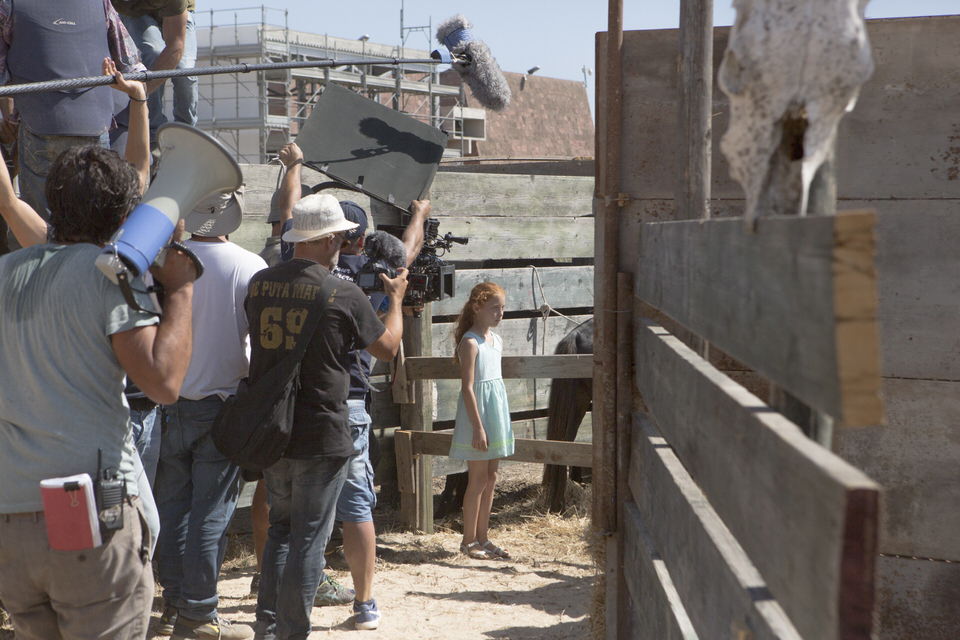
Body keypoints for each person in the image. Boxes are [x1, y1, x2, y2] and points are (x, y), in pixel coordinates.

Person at [0, 72, 198, 640]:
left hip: (11, 515)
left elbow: (9, 199)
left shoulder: (8, 270)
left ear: (53, 199)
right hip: (84, 512)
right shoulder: (110, 275)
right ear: (123, 216)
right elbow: (163, 383)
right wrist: (181, 291)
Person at [246, 194, 406, 640]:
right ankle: (293, 631)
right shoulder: (343, 292)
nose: (343, 243)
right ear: (329, 238)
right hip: (322, 428)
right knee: (309, 538)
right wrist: (395, 300)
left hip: (274, 427)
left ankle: (268, 625)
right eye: (339, 236)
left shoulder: (259, 284)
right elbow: (388, 348)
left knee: (281, 529)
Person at [153, 187, 265, 640]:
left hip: (167, 400)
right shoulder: (249, 265)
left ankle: (175, 604)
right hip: (222, 403)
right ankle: (198, 611)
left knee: (172, 509)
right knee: (210, 514)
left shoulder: (164, 260)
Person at [313, 197, 430, 627]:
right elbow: (407, 253)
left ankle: (293, 589)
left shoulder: (305, 269)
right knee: (356, 507)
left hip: (302, 399)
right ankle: (364, 603)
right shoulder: (375, 276)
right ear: (360, 239)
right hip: (349, 401)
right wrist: (418, 215)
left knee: (298, 503)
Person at [0, 0, 144, 237]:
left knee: (39, 221)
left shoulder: (9, 4)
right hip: (95, 124)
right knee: (94, 216)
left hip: (41, 123)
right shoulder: (101, 3)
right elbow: (131, 64)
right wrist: (138, 98)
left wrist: (11, 115)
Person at [450, 282, 514, 560]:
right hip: (477, 416)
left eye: (502, 308)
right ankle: (468, 541)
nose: (500, 313)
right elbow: (468, 387)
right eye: (494, 308)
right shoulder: (470, 342)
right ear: (477, 307)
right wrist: (478, 427)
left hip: (495, 413)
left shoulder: (495, 341)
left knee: (491, 477)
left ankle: (484, 537)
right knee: (477, 479)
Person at [110, 0, 196, 149]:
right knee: (152, 55)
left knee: (185, 71)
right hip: (134, 12)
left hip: (176, 9)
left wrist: (141, 93)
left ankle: (186, 133)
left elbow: (176, 46)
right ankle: (153, 134)